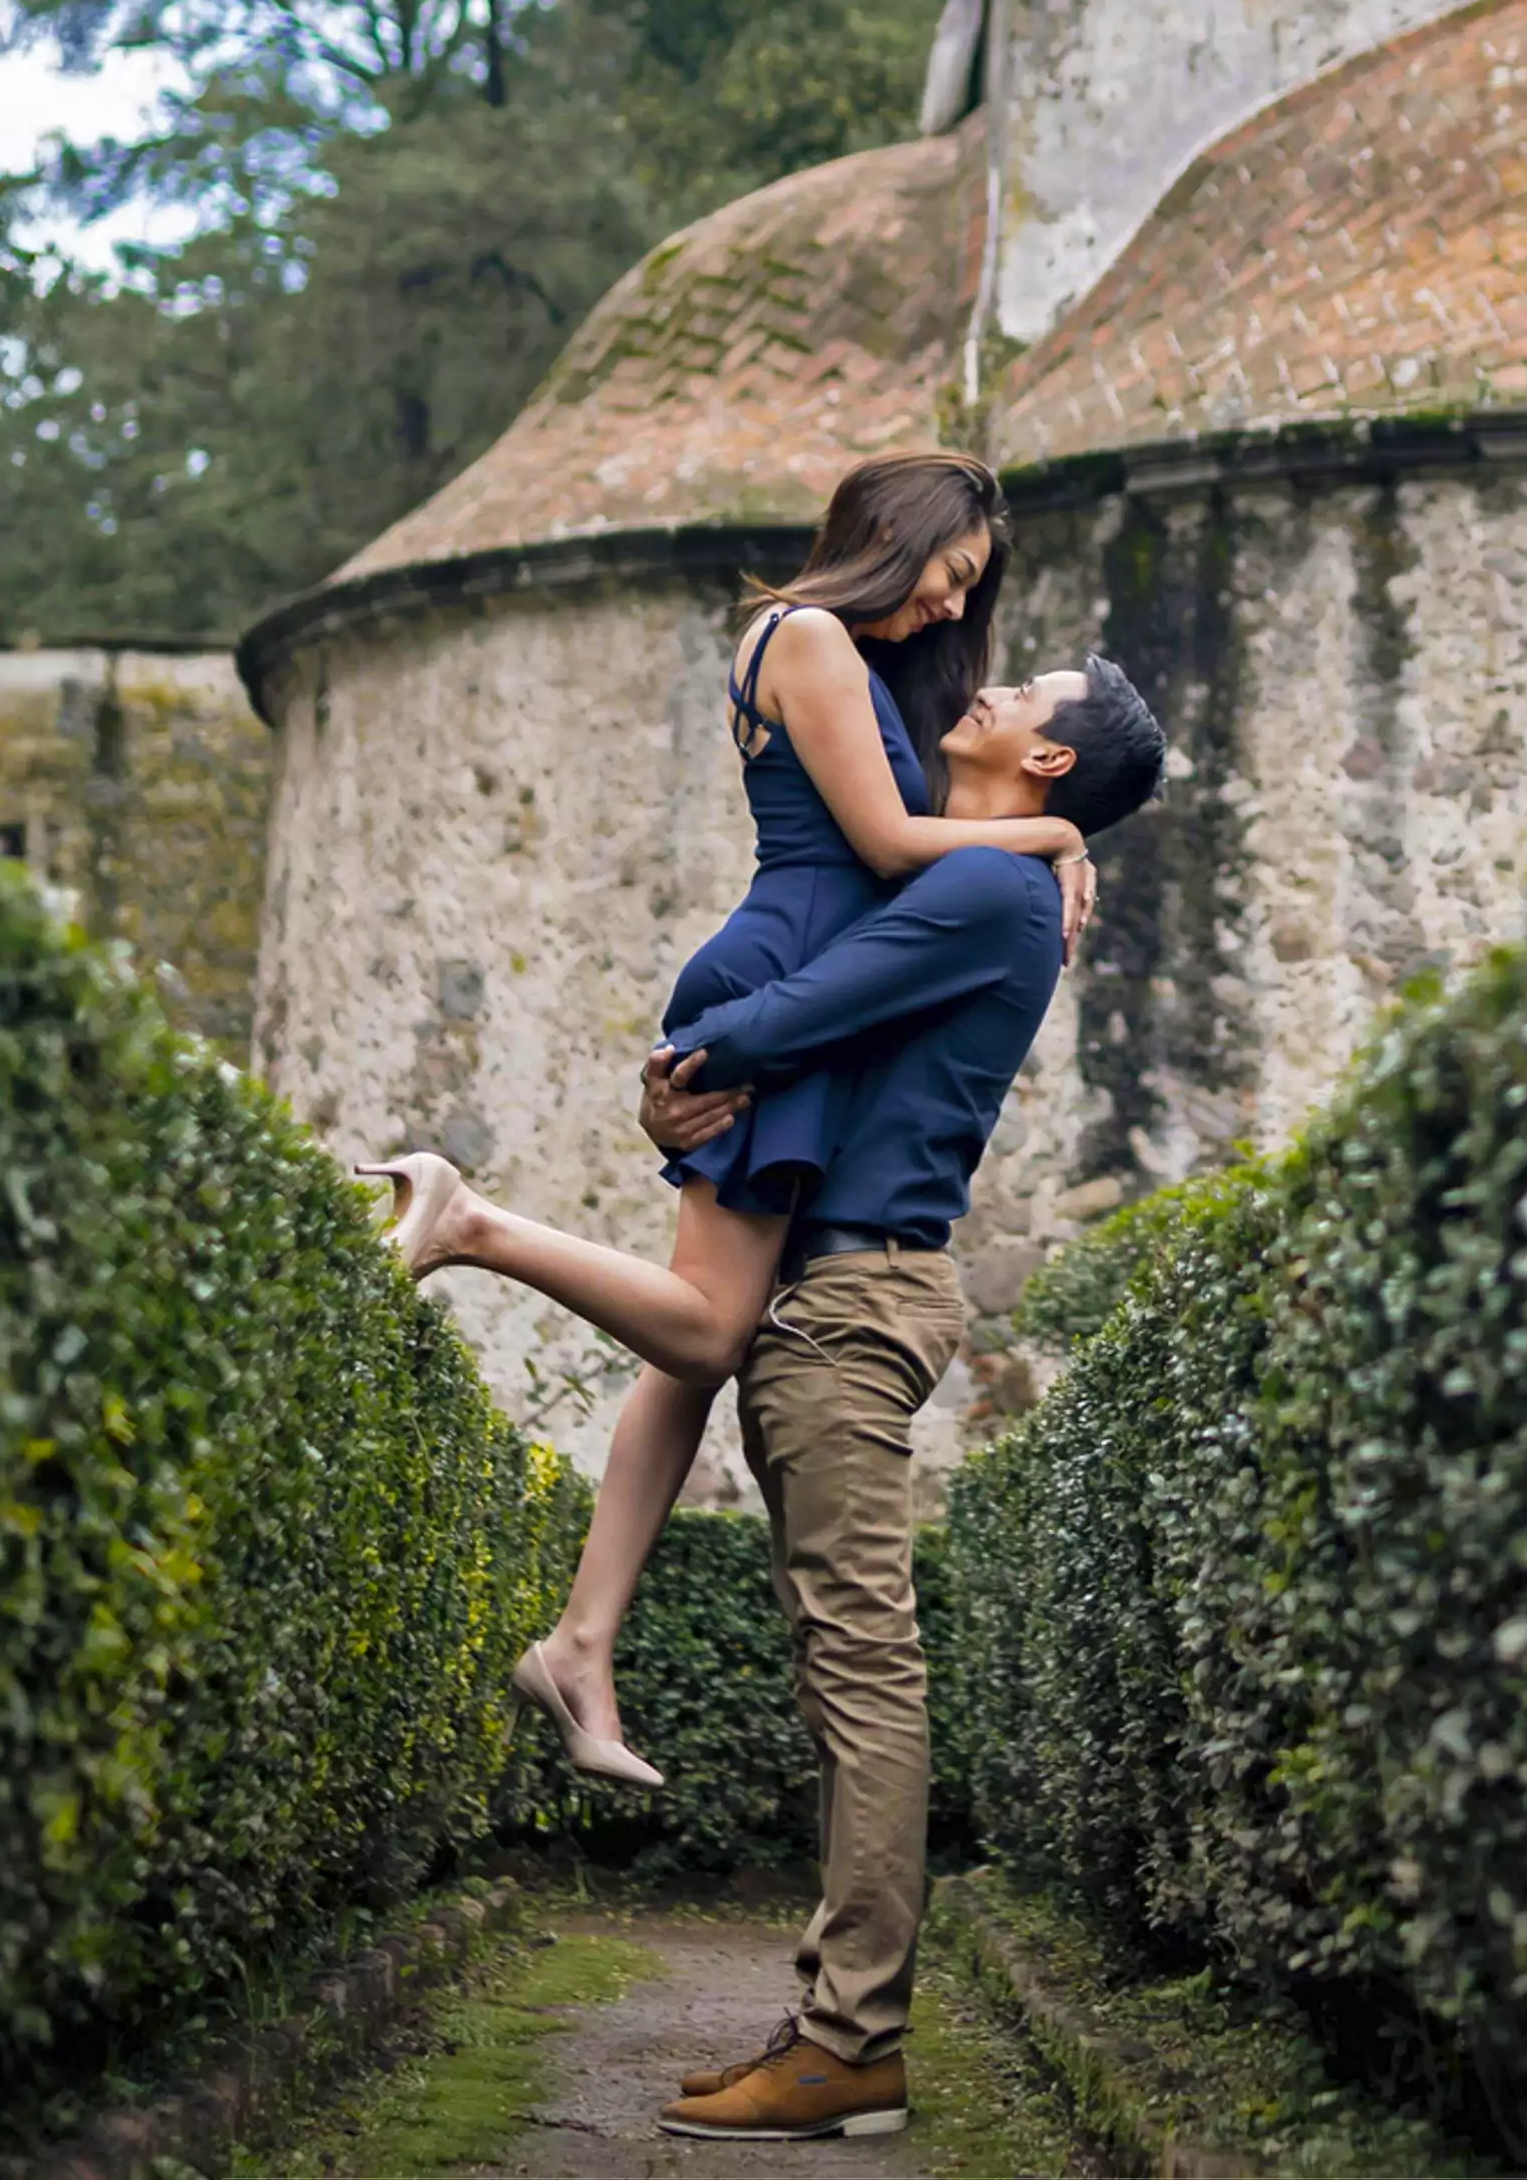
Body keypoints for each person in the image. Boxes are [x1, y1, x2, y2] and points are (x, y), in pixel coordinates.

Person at [358, 452, 1093, 1785]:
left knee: (690, 1351)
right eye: (950, 571)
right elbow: (877, 844)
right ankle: (463, 1219)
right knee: (709, 1323)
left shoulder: (859, 660)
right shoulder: (802, 632)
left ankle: (582, 1642)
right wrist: (1051, 838)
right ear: (896, 530)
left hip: (806, 986)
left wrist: (1048, 837)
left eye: (968, 591)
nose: (949, 604)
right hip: (779, 981)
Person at [628, 657, 1167, 2143]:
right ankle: (830, 2019)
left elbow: (785, 1013)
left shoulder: (983, 897)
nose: (983, 684)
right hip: (853, 1284)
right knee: (840, 1663)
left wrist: (677, 1067)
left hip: (856, 1293)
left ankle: (852, 2038)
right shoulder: (999, 878)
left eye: (1018, 690)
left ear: (1048, 761)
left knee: (861, 1667)